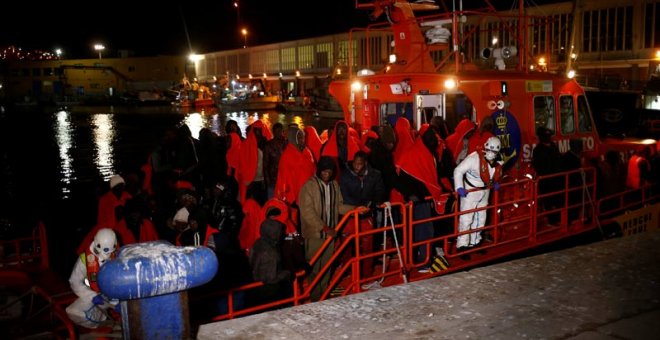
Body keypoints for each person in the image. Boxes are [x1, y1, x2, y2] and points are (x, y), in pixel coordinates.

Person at [299, 156, 358, 301]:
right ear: (319, 170)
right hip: (315, 234)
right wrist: (324, 228)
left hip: (330, 234)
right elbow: (307, 212)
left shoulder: (334, 185)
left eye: (329, 171)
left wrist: (356, 209)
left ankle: (323, 295)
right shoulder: (309, 186)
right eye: (324, 171)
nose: (327, 174)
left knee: (326, 267)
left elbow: (338, 206)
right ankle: (315, 296)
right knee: (314, 267)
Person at [453, 136, 503, 257]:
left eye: (494, 152)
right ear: (485, 147)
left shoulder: (498, 161)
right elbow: (458, 171)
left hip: (485, 191)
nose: (491, 154)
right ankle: (462, 245)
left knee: (480, 218)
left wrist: (496, 182)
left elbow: (495, 173)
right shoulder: (473, 158)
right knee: (466, 219)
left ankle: (475, 242)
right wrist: (459, 187)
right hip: (470, 191)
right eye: (490, 150)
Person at [66, 228, 119, 329]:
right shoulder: (85, 259)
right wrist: (91, 296)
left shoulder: (119, 254)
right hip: (97, 297)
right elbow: (74, 281)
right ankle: (102, 324)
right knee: (73, 311)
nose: (107, 255)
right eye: (105, 251)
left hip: (117, 296)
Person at [249, 219, 293, 305]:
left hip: (257, 288)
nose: (283, 234)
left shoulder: (258, 243)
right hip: (270, 293)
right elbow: (270, 278)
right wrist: (287, 274)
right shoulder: (270, 252)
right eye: (280, 232)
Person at [532, 126, 562, 225]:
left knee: (558, 200)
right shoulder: (538, 150)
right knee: (548, 201)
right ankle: (552, 220)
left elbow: (558, 160)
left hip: (557, 179)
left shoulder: (553, 146)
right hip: (546, 181)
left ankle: (558, 218)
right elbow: (537, 165)